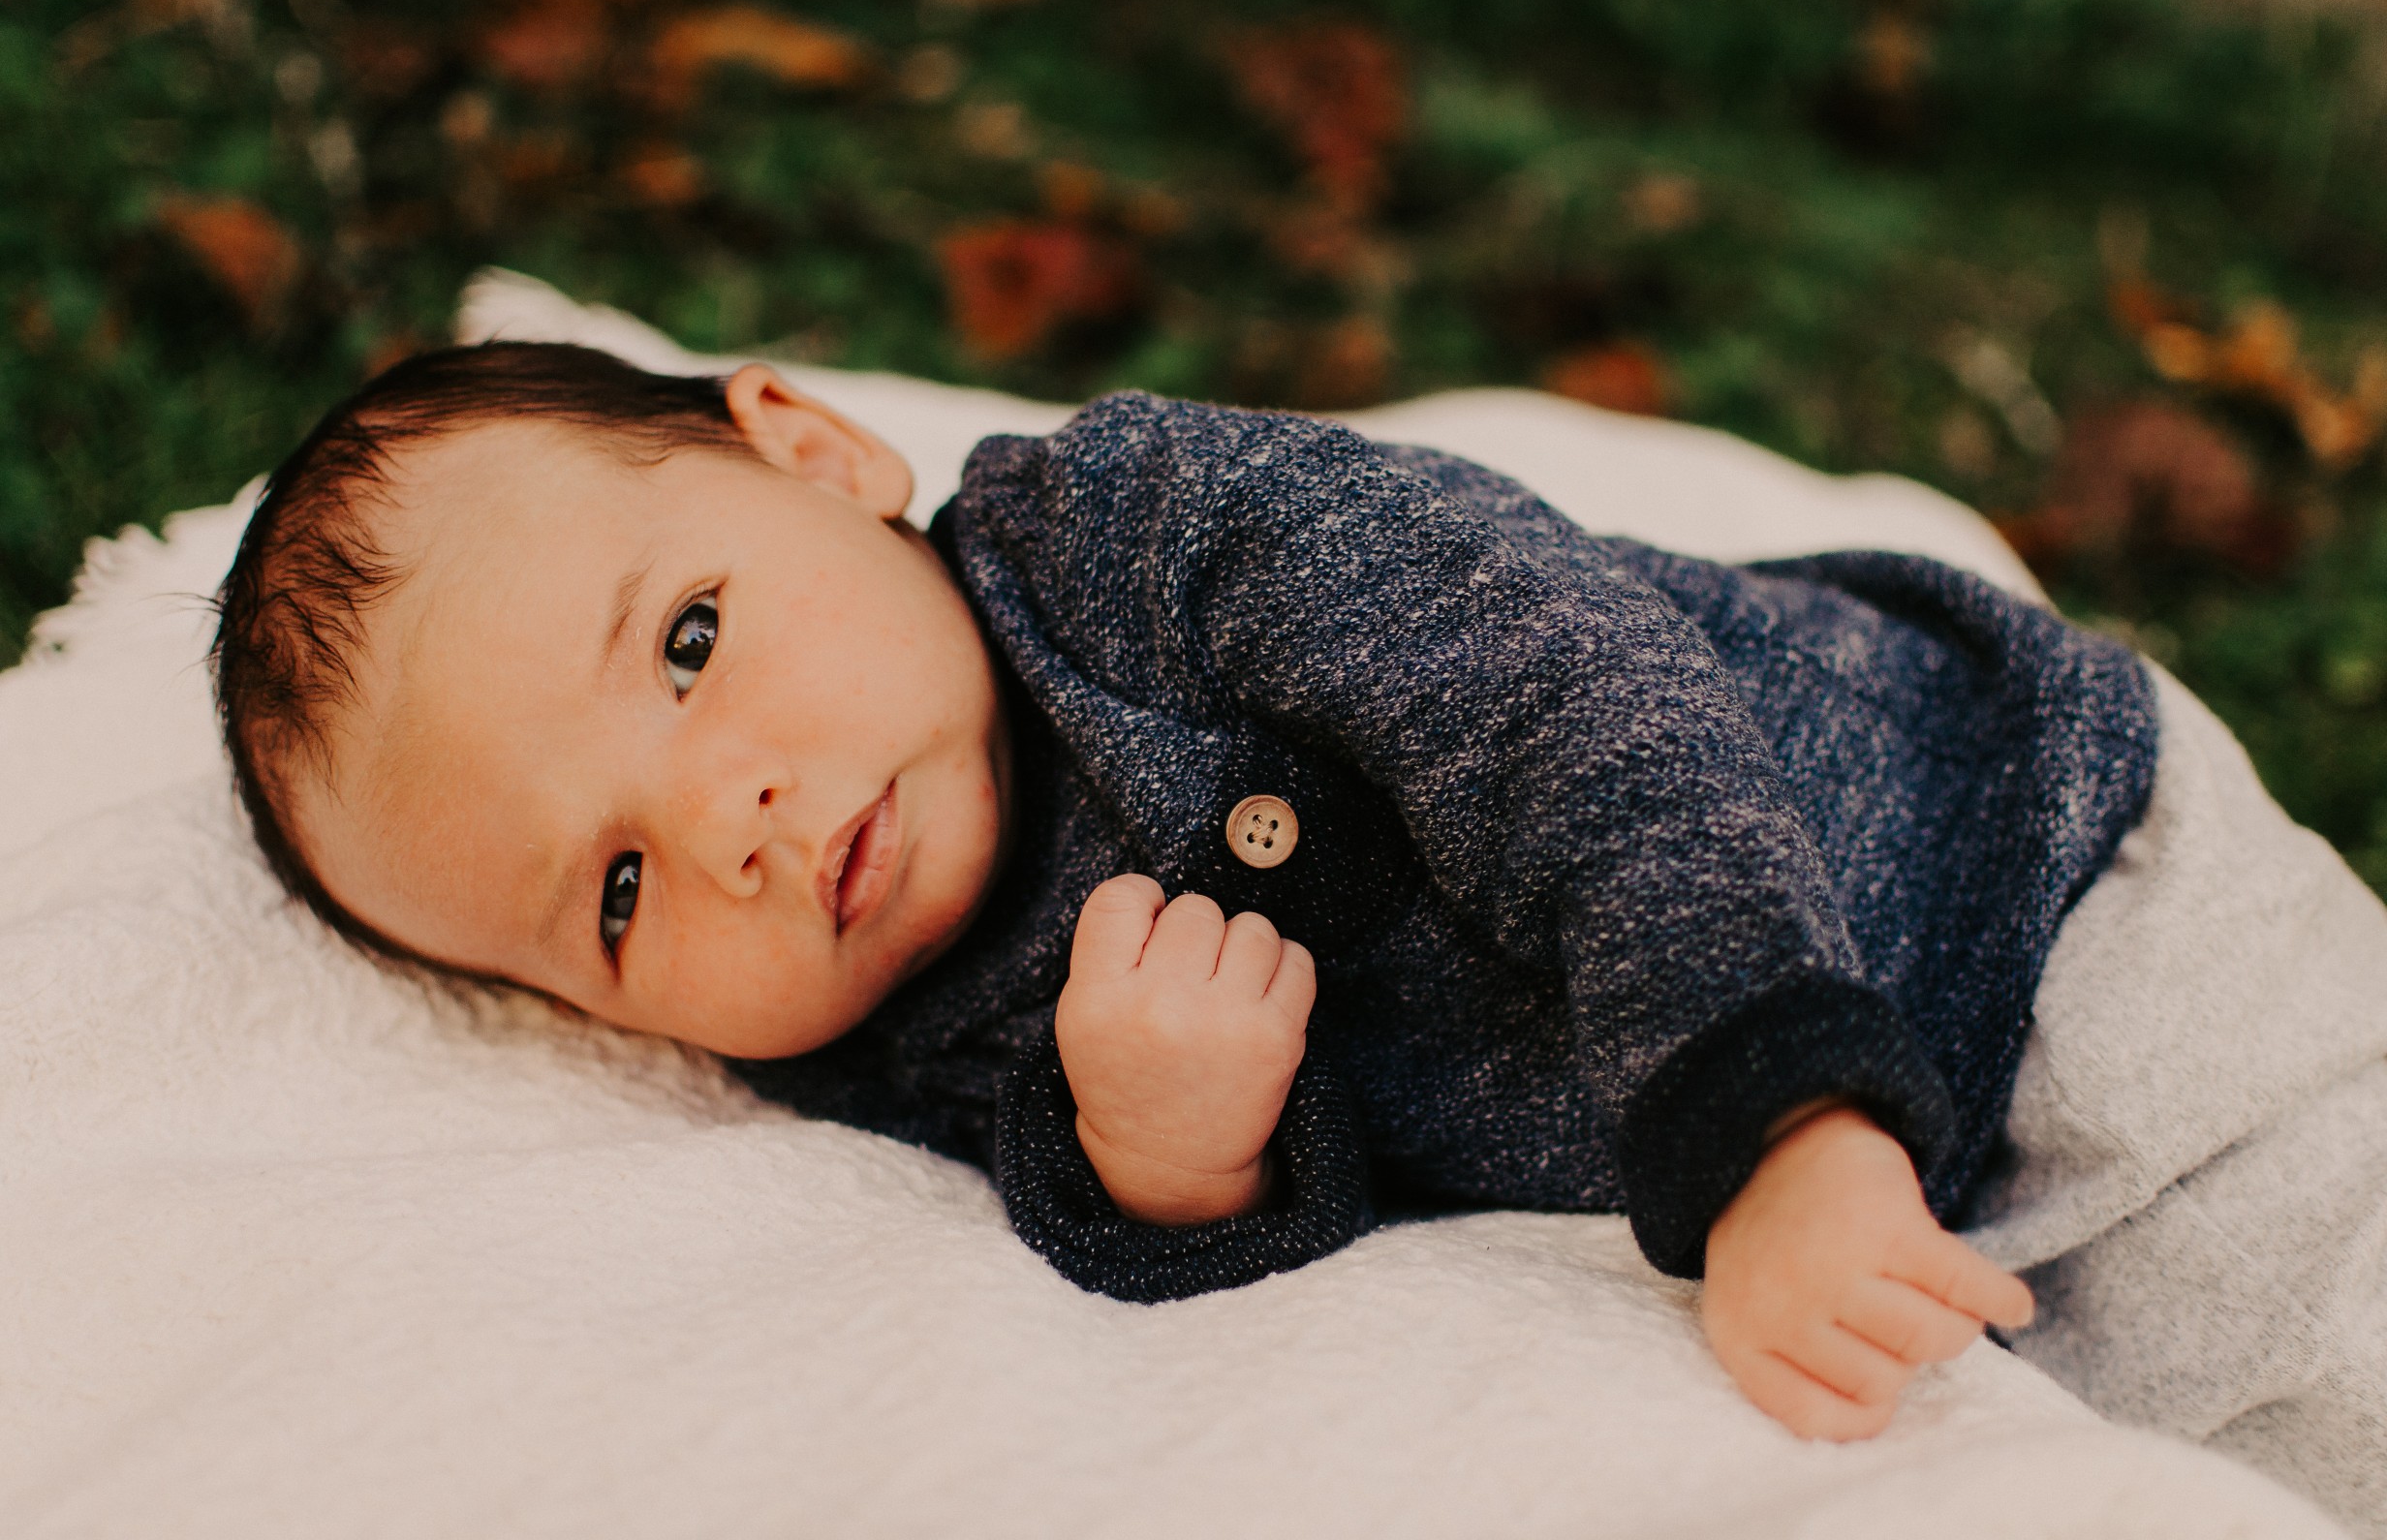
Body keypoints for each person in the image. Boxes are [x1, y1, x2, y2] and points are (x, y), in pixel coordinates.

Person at [210, 342, 2387, 1530]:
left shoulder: (1146, 534)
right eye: (610, 897)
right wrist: (1176, 1159)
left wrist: (1782, 1127)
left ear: (809, 449)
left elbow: (1574, 715)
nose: (729, 824)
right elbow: (1190, 1268)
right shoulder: (863, 1031)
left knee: (2332, 1303)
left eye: (689, 641)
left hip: (2009, 879)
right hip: (1884, 1209)